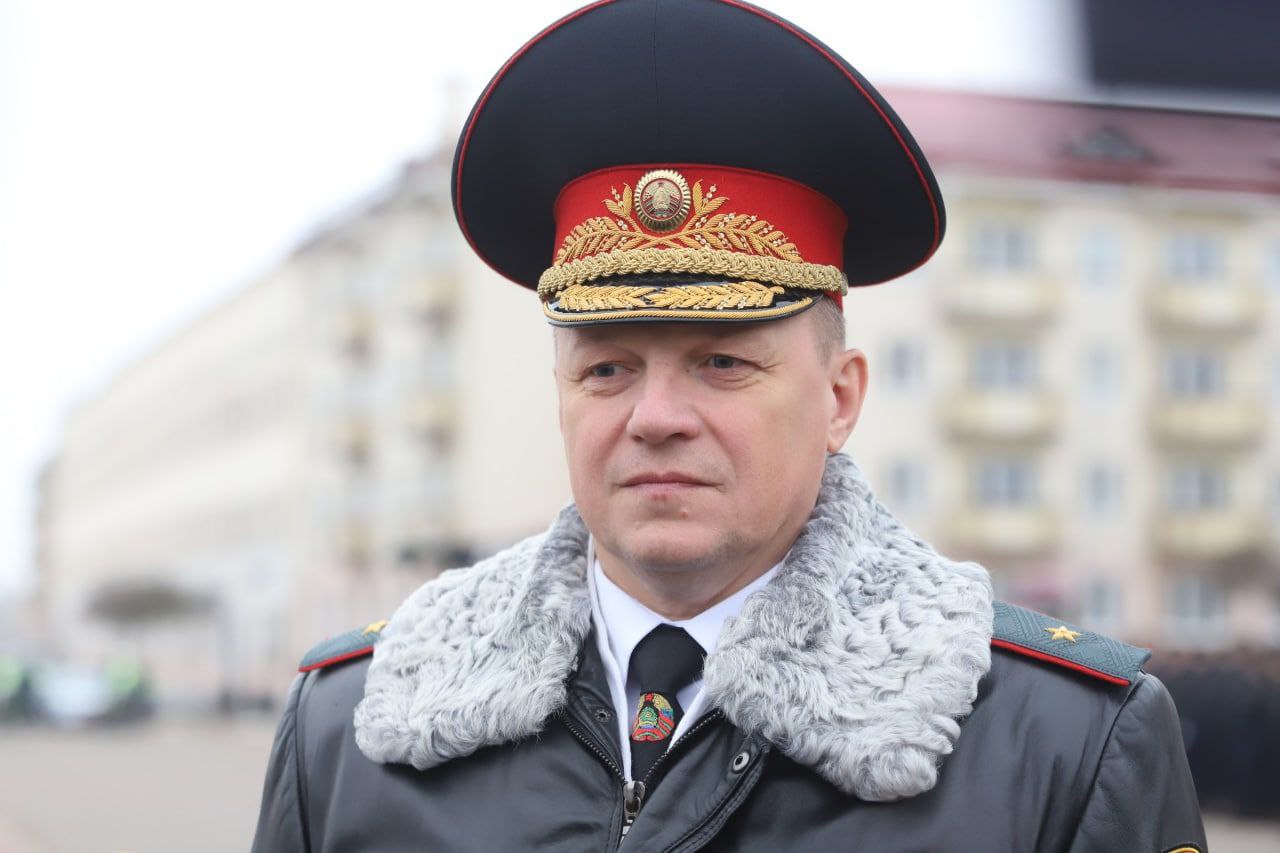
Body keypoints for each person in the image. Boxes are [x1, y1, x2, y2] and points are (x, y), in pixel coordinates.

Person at [251, 1, 1206, 850]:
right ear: (560, 392)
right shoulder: (355, 727)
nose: (655, 418)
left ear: (839, 399)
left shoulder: (1064, 742)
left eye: (722, 363)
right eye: (607, 368)